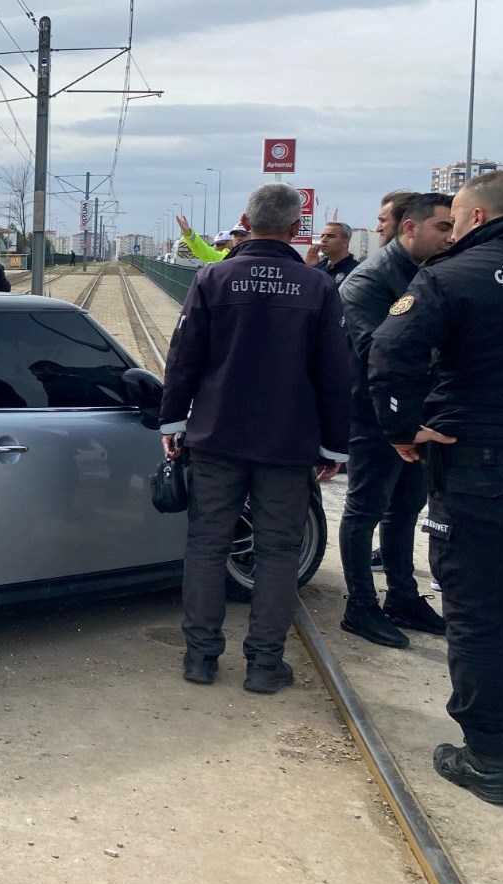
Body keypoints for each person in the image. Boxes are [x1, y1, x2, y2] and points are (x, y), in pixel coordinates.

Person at [368, 170, 503, 805]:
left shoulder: (449, 277)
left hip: (479, 471)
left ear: (474, 219)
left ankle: (489, 757)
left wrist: (403, 428)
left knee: (476, 616)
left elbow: (389, 357)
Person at [159, 183, 350, 694]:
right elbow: (335, 371)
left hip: (216, 436)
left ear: (245, 218)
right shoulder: (317, 287)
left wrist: (172, 422)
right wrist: (335, 445)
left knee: (205, 546)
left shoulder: (211, 278)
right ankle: (265, 666)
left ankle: (200, 658)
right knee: (279, 552)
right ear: (294, 230)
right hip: (287, 445)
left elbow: (183, 358)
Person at [336, 192, 456, 649]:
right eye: (442, 228)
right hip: (375, 415)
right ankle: (360, 606)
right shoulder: (371, 279)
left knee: (405, 508)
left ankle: (402, 596)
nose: (450, 237)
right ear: (411, 228)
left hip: (422, 413)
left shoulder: (429, 272)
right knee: (364, 509)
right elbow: (376, 355)